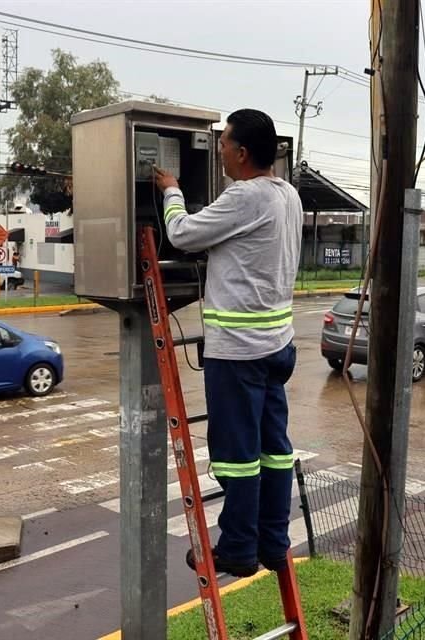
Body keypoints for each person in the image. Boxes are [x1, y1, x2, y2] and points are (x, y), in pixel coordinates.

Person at [154, 109, 303, 577]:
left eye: (222, 144)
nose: (217, 150)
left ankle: (237, 548)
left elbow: (180, 234)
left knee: (236, 456)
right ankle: (274, 543)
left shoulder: (245, 198)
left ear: (241, 153)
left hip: (238, 352)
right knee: (274, 448)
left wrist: (170, 191)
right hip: (277, 345)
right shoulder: (287, 194)